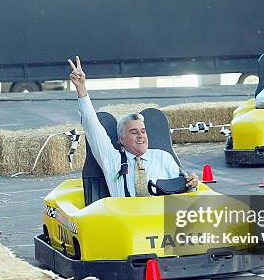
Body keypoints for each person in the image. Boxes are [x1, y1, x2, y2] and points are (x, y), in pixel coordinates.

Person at [68, 56, 199, 197]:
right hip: (123, 218)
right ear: (121, 139)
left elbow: (181, 191)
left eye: (143, 131)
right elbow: (91, 126)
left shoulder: (164, 158)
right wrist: (81, 88)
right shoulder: (112, 159)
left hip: (159, 217)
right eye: (134, 132)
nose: (141, 136)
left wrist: (192, 184)